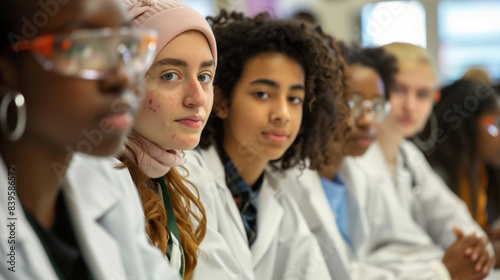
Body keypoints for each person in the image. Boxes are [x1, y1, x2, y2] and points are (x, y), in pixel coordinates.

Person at [0, 0, 180, 279]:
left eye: (128, 48)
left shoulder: (109, 182)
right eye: (85, 49)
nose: (123, 78)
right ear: (6, 71)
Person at [182, 10, 347, 280]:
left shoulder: (278, 197)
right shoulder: (190, 179)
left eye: (294, 98)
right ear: (221, 101)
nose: (282, 113)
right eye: (262, 94)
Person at [119, 1, 239, 279]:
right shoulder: (95, 179)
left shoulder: (176, 176)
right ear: (122, 81)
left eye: (205, 76)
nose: (197, 98)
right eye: (170, 75)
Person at [356, 42, 495, 278]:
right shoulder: (355, 159)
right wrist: (440, 271)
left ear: (434, 98)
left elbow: (453, 217)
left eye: (422, 94)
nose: (410, 106)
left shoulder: (409, 157)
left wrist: (477, 249)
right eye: (398, 90)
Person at [423, 79, 500, 267]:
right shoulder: (435, 177)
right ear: (465, 128)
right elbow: (441, 253)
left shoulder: (479, 173)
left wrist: (486, 235)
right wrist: (491, 251)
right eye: (496, 125)